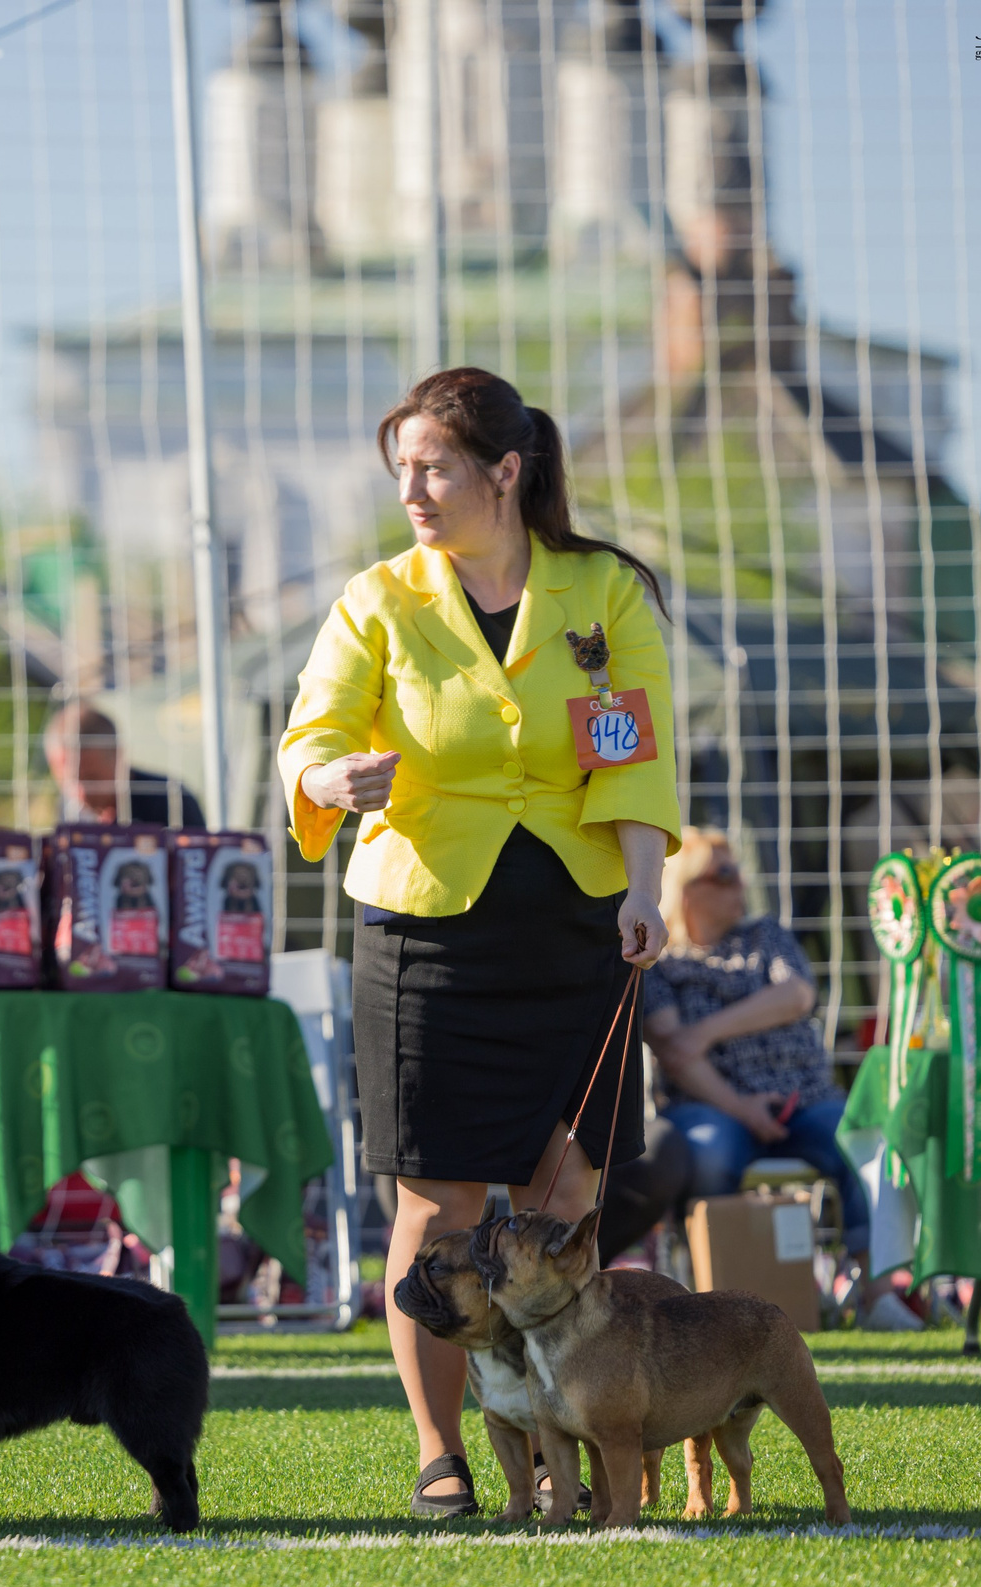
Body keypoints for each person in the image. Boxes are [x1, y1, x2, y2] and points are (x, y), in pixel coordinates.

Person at [277, 367, 678, 1518]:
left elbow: (633, 756)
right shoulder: (377, 599)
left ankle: (571, 1439)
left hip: (579, 924)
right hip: (424, 933)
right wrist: (325, 776)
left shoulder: (604, 593)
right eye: (399, 467)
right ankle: (441, 1451)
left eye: (434, 467)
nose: (411, 488)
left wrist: (644, 888)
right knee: (439, 1206)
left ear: (507, 471)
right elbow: (306, 738)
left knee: (566, 1193)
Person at [643, 828, 924, 1330]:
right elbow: (676, 1054)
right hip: (711, 1107)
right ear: (686, 888)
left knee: (868, 1142)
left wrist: (705, 1030)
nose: (740, 884)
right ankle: (715, 1302)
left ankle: (879, 1296)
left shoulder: (765, 935)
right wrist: (742, 1107)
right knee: (707, 1151)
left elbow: (795, 996)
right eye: (724, 874)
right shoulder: (660, 965)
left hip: (805, 1099)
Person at [43, 701, 206, 827]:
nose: (81, 792)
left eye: (92, 778)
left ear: (118, 757)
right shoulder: (68, 811)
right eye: (70, 780)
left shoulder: (171, 799)